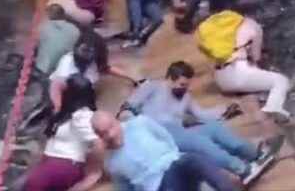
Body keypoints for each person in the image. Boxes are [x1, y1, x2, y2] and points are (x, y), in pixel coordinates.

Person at [119, 61, 274, 185]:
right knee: (200, 143)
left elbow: (202, 115)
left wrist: (224, 110)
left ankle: (254, 155)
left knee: (214, 128)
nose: (184, 89)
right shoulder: (152, 87)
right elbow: (128, 107)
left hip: (178, 134)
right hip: (156, 136)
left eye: (187, 85)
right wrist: (131, 124)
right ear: (169, 79)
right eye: (181, 85)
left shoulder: (185, 97)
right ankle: (242, 170)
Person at [92, 112, 239, 191]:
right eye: (103, 133)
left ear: (116, 121)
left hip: (175, 166)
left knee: (194, 160)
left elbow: (166, 137)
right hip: (157, 186)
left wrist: (174, 157)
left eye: (111, 127)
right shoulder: (112, 163)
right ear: (99, 136)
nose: (110, 135)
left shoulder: (140, 123)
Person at [206, 0, 291, 123]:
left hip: (220, 79)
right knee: (281, 81)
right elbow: (256, 57)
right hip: (239, 74)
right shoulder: (252, 25)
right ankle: (273, 106)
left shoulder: (216, 27)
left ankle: (256, 95)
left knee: (254, 79)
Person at [17, 75, 104, 191]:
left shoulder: (82, 115)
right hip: (53, 164)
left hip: (62, 163)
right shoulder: (69, 111)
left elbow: (98, 143)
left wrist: (94, 172)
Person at [50, 32, 140, 113]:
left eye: (89, 52)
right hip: (68, 96)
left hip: (85, 95)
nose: (86, 54)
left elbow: (106, 68)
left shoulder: (93, 62)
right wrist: (57, 107)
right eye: (84, 50)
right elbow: (56, 86)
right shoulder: (67, 62)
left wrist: (132, 78)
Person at [34, 4, 82, 77]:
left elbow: (35, 46)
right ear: (63, 15)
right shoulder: (75, 29)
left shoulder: (42, 27)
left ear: (49, 15)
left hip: (44, 69)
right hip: (66, 68)